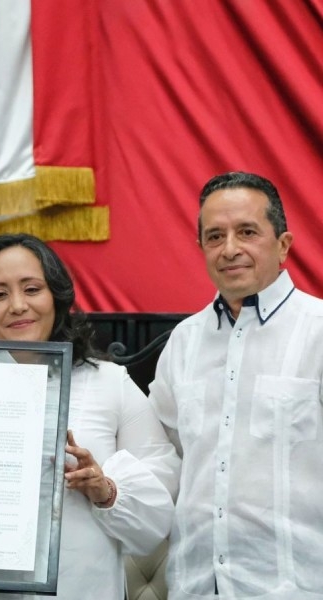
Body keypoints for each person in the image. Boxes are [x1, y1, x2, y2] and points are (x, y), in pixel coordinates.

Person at [0, 233, 179, 599]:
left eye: (32, 289)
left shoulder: (109, 383)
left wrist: (104, 489)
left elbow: (159, 505)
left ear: (56, 297)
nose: (18, 305)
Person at [149, 171, 323, 599]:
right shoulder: (184, 342)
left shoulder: (318, 332)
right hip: (194, 586)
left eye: (247, 232)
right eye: (214, 236)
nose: (230, 249)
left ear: (283, 245)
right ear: (201, 248)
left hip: (294, 586)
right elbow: (169, 456)